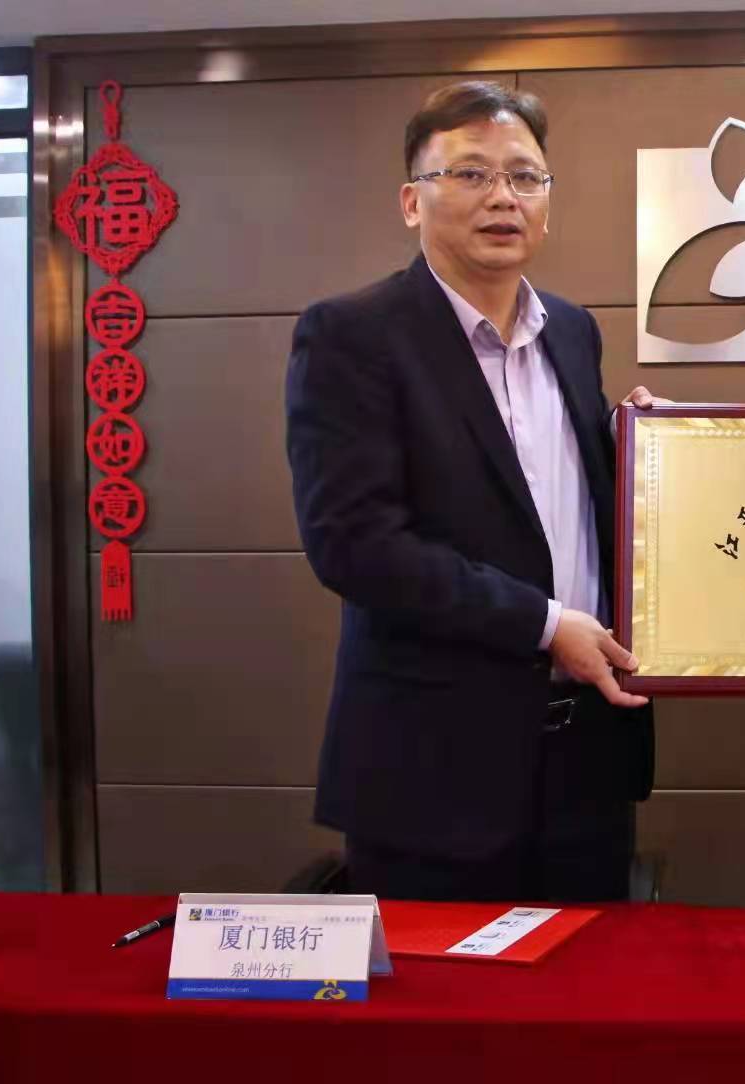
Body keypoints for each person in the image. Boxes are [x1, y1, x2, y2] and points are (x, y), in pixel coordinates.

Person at [285, 81, 661, 902]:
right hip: (433, 771)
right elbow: (355, 545)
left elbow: (547, 500)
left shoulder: (572, 330)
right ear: (411, 201)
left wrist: (641, 450)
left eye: (525, 176)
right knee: (441, 988)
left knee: (587, 978)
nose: (502, 197)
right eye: (469, 174)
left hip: (587, 760)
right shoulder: (352, 335)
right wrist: (544, 625)